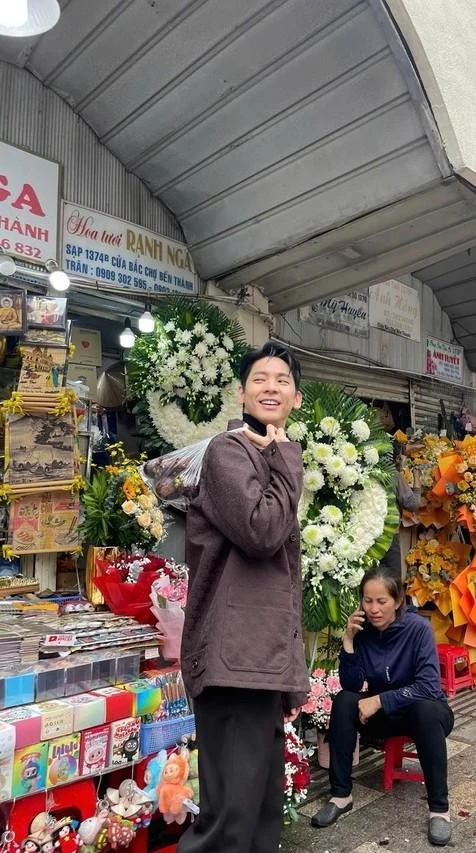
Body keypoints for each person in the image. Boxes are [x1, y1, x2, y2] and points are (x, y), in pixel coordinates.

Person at [178, 341, 310, 853]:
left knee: (259, 810)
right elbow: (262, 531)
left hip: (258, 657)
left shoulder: (268, 454)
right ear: (241, 393)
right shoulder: (227, 451)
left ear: (296, 398)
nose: (271, 387)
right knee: (230, 820)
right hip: (234, 658)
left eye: (282, 380)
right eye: (260, 379)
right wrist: (288, 457)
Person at [311, 567, 455, 847]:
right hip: (386, 716)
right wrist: (349, 641)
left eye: (381, 601)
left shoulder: (418, 629)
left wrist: (379, 700)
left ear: (398, 601)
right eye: (367, 601)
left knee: (425, 711)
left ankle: (439, 810)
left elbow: (428, 686)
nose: (373, 609)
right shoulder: (364, 632)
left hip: (425, 712)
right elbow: (352, 684)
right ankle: (341, 795)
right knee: (344, 701)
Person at [380, 442, 422, 578]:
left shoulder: (366, 471)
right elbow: (413, 504)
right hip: (389, 533)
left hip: (367, 532)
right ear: (397, 458)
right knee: (392, 578)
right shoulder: (393, 474)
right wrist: (417, 478)